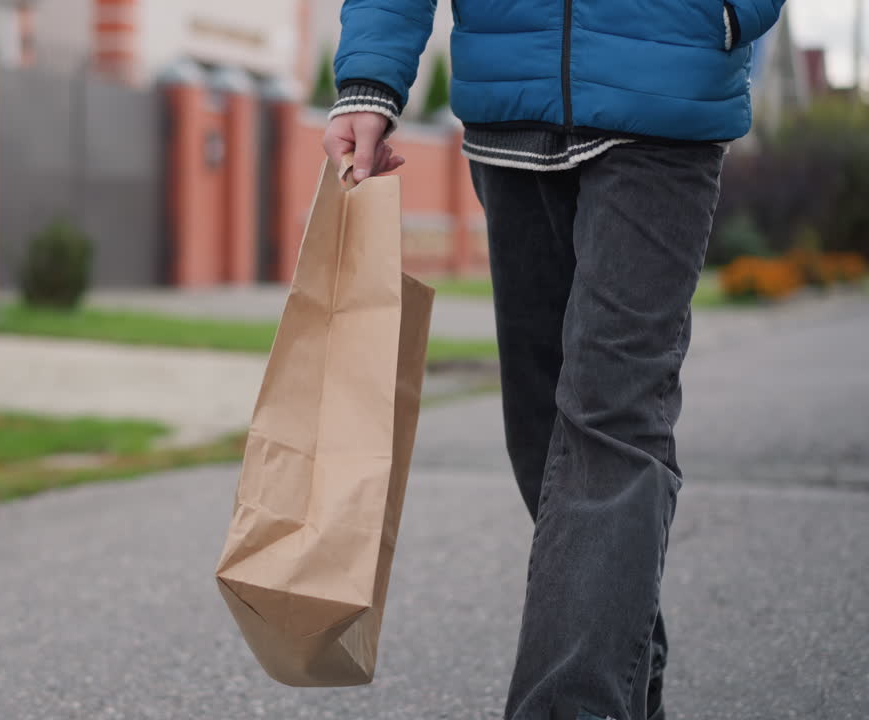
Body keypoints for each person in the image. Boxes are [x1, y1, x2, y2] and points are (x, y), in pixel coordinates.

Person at [322, 1, 785, 719]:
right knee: (540, 434)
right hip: (511, 98)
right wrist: (371, 82)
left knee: (610, 417)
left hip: (662, 95)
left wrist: (722, 13)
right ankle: (623, 669)